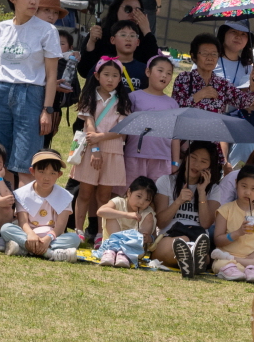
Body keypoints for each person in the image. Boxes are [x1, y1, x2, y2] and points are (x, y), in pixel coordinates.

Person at [0, 0, 60, 185]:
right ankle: (3, 210)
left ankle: (22, 215)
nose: (33, 1)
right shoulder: (1, 28)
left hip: (31, 95)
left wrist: (47, 110)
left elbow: (52, 75)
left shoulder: (47, 31)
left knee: (26, 161)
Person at [70, 56, 134, 240]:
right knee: (85, 192)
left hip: (114, 150)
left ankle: (101, 233)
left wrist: (100, 137)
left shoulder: (123, 100)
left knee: (104, 195)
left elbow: (121, 130)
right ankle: (78, 231)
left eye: (115, 75)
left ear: (120, 78)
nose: (110, 79)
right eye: (106, 74)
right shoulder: (89, 96)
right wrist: (96, 146)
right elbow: (89, 123)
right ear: (97, 76)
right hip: (92, 149)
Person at [150, 142, 219, 276]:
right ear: (186, 157)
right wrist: (178, 201)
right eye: (193, 158)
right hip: (169, 236)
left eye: (203, 161)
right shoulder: (166, 181)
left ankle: (191, 257)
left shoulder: (214, 189)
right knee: (182, 242)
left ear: (210, 166)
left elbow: (206, 223)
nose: (196, 164)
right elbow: (160, 222)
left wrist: (202, 192)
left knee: (202, 254)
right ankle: (191, 258)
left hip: (197, 238)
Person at [207, 167, 254, 281]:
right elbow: (218, 239)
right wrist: (238, 233)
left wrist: (249, 260)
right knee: (219, 264)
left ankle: (241, 268)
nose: (248, 192)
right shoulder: (225, 210)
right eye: (244, 186)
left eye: (253, 189)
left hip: (247, 259)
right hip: (225, 256)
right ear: (236, 184)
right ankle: (248, 270)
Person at [0, 150, 79, 260]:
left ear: (59, 175)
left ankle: (25, 249)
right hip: (28, 235)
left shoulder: (65, 196)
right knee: (6, 228)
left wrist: (48, 239)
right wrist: (31, 235)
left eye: (52, 173)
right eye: (41, 172)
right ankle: (50, 253)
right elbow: (23, 222)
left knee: (75, 238)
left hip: (52, 237)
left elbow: (60, 228)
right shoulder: (23, 193)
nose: (47, 178)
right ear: (32, 171)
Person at [78, 0, 159, 80]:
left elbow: (155, 67)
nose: (133, 14)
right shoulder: (101, 33)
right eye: (128, 9)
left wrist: (147, 31)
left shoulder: (143, 38)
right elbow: (84, 71)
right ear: (116, 9)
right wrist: (91, 42)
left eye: (138, 11)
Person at [125, 54, 179, 187]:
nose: (164, 76)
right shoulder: (133, 97)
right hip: (134, 156)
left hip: (162, 159)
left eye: (168, 73)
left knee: (157, 196)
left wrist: (175, 162)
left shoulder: (173, 104)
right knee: (129, 193)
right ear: (148, 72)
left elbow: (175, 136)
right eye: (160, 71)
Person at [174, 33, 254, 119]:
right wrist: (198, 96)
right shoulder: (184, 78)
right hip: (188, 129)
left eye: (214, 54)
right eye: (205, 54)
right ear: (193, 56)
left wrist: (253, 86)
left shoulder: (221, 84)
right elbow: (174, 108)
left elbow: (244, 102)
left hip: (214, 130)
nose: (210, 58)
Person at [94, 177, 158, 267]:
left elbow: (153, 237)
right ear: (129, 192)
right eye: (139, 196)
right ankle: (113, 251)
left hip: (132, 251)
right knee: (111, 214)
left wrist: (149, 238)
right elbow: (100, 211)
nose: (141, 202)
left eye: (147, 200)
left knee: (148, 218)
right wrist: (127, 215)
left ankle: (123, 254)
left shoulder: (148, 213)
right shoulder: (118, 202)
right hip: (110, 248)